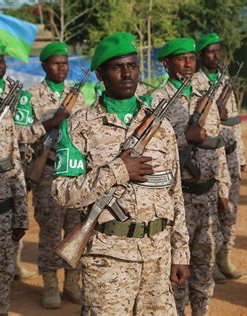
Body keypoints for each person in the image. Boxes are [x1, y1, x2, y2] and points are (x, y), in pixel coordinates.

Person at [52, 32, 190, 315]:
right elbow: (62, 192)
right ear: (100, 74)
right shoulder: (79, 126)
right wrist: (117, 170)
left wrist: (181, 252)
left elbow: (175, 194)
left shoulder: (160, 127)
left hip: (158, 257)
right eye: (117, 67)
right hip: (107, 261)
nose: (127, 74)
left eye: (132, 66)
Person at [152, 38, 231, 315]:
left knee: (204, 265)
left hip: (208, 195)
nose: (188, 64)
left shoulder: (204, 95)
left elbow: (217, 145)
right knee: (177, 268)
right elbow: (152, 150)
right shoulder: (156, 101)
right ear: (166, 63)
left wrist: (223, 188)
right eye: (181, 59)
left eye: (190, 58)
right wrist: (184, 138)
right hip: (178, 198)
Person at [13, 42, 85, 308]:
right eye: (56, 63)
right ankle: (51, 285)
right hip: (48, 173)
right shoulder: (30, 96)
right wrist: (48, 125)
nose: (62, 67)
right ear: (44, 66)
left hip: (76, 174)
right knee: (50, 233)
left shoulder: (77, 95)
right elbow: (18, 133)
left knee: (76, 230)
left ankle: (72, 283)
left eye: (65, 62)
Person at [193, 33, 246, 282]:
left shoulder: (225, 79)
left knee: (230, 210)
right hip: (208, 158)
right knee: (211, 212)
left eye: (217, 50)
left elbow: (234, 120)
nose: (215, 55)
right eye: (210, 51)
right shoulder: (195, 83)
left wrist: (241, 155)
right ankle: (210, 260)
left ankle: (225, 256)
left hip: (230, 156)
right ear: (201, 55)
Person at [0, 45, 35, 281]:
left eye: (1, 61)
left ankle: (13, 263)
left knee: (12, 222)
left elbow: (17, 138)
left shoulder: (17, 93)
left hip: (10, 170)